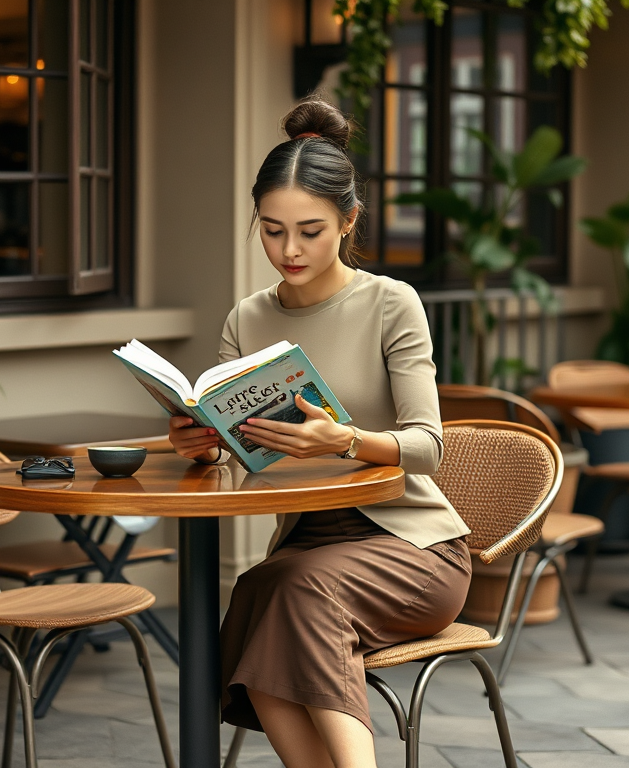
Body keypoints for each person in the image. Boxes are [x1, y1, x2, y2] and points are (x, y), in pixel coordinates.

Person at [168, 99, 472, 768]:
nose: (290, 250)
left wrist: (345, 440)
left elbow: (429, 446)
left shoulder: (391, 302)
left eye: (310, 231)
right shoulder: (247, 318)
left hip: (414, 547)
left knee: (295, 592)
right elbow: (228, 427)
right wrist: (202, 436)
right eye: (272, 231)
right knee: (259, 596)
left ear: (348, 222)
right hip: (309, 544)